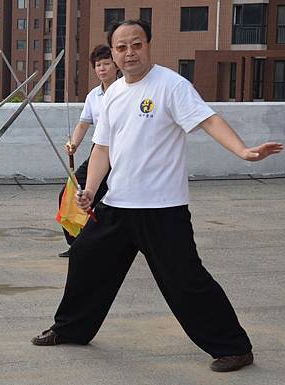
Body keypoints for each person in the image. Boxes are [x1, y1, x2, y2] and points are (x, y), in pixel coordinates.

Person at [31, 20, 283, 373]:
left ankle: (234, 347)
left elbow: (208, 120)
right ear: (114, 53)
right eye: (121, 47)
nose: (129, 53)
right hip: (118, 204)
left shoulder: (171, 86)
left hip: (162, 209)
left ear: (149, 45)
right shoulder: (114, 93)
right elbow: (102, 148)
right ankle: (72, 329)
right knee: (86, 256)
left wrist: (242, 151)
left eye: (136, 44)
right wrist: (89, 190)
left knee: (185, 280)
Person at [57, 45, 118, 257]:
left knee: (107, 203)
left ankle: (104, 246)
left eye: (106, 64)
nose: (102, 68)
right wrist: (73, 144)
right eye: (98, 65)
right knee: (71, 194)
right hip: (99, 151)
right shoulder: (94, 95)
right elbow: (83, 124)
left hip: (123, 154)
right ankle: (77, 245)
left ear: (116, 65)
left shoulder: (126, 91)